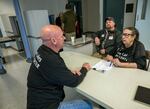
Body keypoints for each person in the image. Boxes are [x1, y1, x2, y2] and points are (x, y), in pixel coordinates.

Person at [27, 25, 93, 109]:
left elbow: (53, 71)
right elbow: (74, 81)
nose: (64, 38)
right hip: (46, 106)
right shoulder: (51, 60)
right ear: (54, 40)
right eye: (62, 36)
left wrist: (66, 72)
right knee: (88, 104)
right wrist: (84, 69)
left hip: (35, 101)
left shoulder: (42, 50)